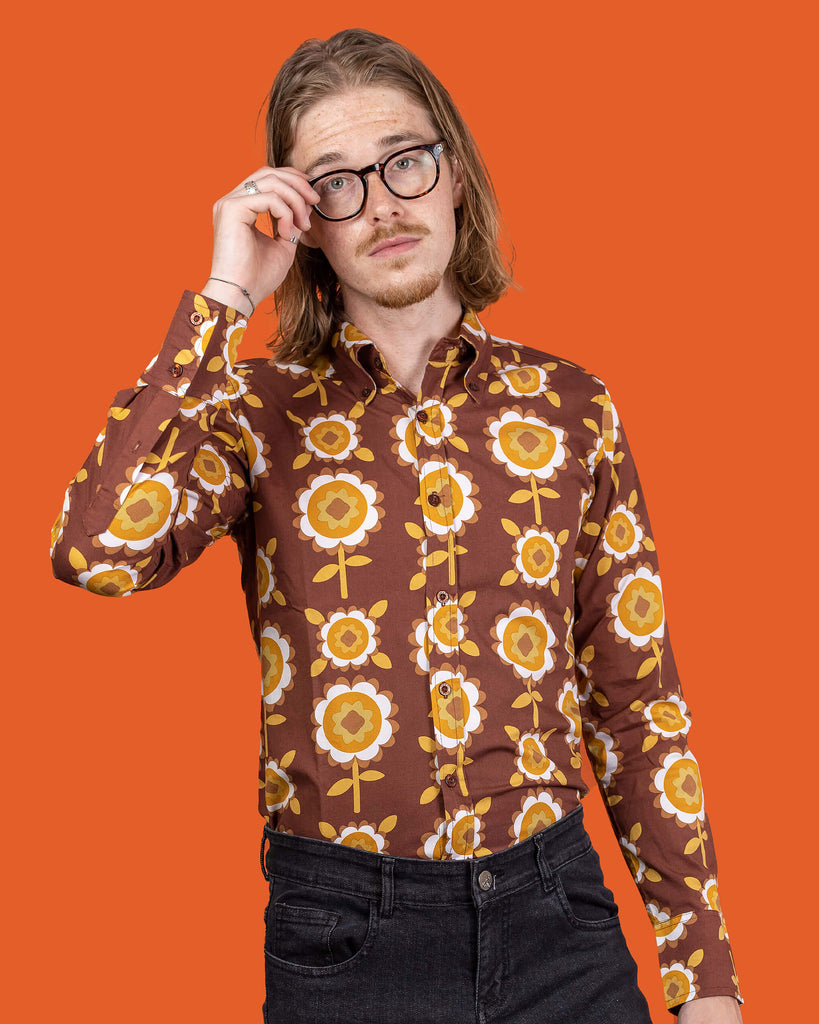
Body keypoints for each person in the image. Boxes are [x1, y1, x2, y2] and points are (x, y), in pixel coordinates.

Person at [51, 27, 742, 1024]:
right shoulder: (253, 410)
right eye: (335, 183)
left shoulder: (572, 409)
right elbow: (96, 550)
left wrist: (705, 975)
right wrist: (223, 293)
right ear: (304, 218)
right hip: (346, 938)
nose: (381, 205)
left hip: (560, 920)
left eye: (404, 163)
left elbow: (637, 706)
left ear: (453, 175)